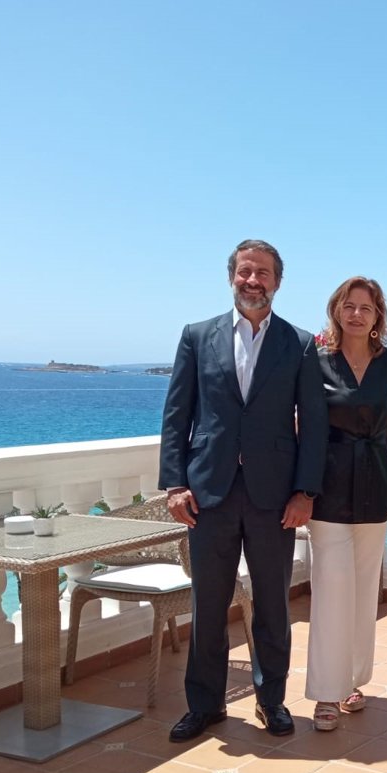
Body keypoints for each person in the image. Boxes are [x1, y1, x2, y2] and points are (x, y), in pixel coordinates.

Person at [159, 239, 327, 742]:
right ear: (232, 276)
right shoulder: (197, 336)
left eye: (263, 273)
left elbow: (313, 424)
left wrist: (305, 491)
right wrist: (174, 483)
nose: (253, 281)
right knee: (208, 604)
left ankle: (271, 700)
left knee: (273, 604)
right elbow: (177, 414)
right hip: (208, 493)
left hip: (273, 497)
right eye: (245, 272)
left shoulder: (299, 344)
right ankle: (204, 705)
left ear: (278, 282)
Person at [305, 276, 387, 732]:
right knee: (331, 590)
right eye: (349, 306)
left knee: (364, 592)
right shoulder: (317, 362)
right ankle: (326, 691)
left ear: (378, 315)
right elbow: (303, 427)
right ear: (336, 311)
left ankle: (352, 680)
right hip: (327, 487)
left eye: (366, 307)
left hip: (376, 485)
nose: (357, 314)